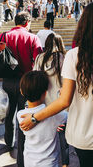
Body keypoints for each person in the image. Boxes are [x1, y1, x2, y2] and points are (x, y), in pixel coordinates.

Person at [19, 3, 93, 167]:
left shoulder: (73, 56)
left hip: (82, 136)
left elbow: (65, 101)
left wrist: (34, 117)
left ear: (83, 26)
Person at [0, 11, 42, 167]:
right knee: (23, 115)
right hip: (25, 82)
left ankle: (8, 141)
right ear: (27, 22)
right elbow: (38, 61)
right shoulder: (33, 37)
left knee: (9, 111)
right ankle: (22, 149)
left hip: (7, 81)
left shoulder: (3, 36)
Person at [17, 71, 67, 167]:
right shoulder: (56, 116)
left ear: (21, 92)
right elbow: (68, 115)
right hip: (49, 162)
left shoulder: (20, 115)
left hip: (29, 161)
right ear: (45, 93)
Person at [33, 33, 69, 167]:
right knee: (63, 136)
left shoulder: (39, 58)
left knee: (46, 136)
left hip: (43, 104)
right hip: (61, 103)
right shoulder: (64, 58)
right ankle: (65, 163)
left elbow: (35, 77)